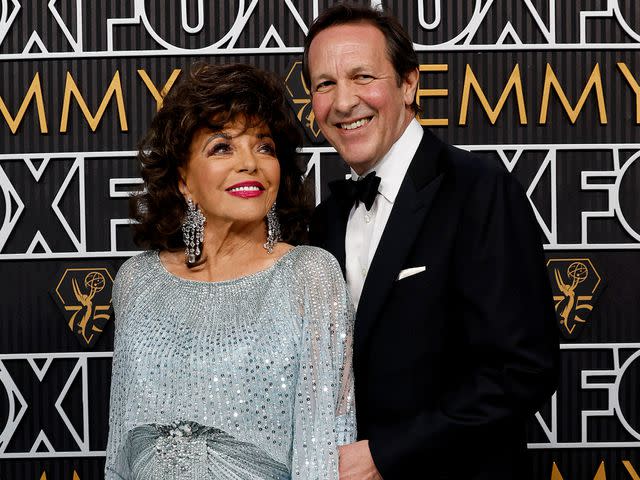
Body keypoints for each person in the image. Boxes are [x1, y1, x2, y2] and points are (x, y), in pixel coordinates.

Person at [304, 5, 559, 479]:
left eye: (362, 76)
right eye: (324, 84)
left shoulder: (478, 189)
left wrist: (385, 454)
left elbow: (524, 370)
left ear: (408, 84)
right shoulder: (325, 220)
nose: (342, 102)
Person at [104, 62, 356, 479]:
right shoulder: (137, 281)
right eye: (222, 147)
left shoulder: (309, 275)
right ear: (184, 178)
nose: (250, 163)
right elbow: (120, 449)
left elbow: (324, 448)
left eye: (264, 147)